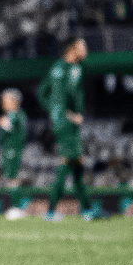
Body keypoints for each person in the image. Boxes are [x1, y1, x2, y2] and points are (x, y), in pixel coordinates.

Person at [37, 37, 97, 221]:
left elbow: (42, 93)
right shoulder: (70, 69)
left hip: (63, 122)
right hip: (67, 123)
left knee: (76, 165)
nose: (86, 49)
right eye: (82, 46)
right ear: (72, 49)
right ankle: (50, 211)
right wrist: (69, 114)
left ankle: (87, 209)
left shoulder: (61, 67)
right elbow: (69, 93)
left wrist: (55, 111)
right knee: (67, 163)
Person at [0, 88, 30, 219]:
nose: (3, 103)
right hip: (11, 150)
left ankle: (16, 207)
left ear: (14, 101)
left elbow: (5, 134)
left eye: (5, 100)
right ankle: (15, 207)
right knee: (10, 180)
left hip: (12, 150)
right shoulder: (18, 115)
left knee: (12, 179)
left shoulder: (14, 115)